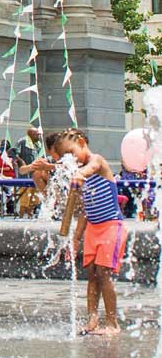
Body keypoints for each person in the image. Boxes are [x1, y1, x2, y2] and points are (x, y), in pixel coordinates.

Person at [51, 129, 126, 336]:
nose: (72, 160)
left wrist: (80, 174)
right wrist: (75, 239)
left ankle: (112, 323)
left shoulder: (97, 162)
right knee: (92, 274)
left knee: (104, 273)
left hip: (111, 225)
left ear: (82, 142)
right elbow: (85, 210)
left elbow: (91, 167)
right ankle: (92, 319)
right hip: (93, 228)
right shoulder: (80, 171)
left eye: (72, 154)